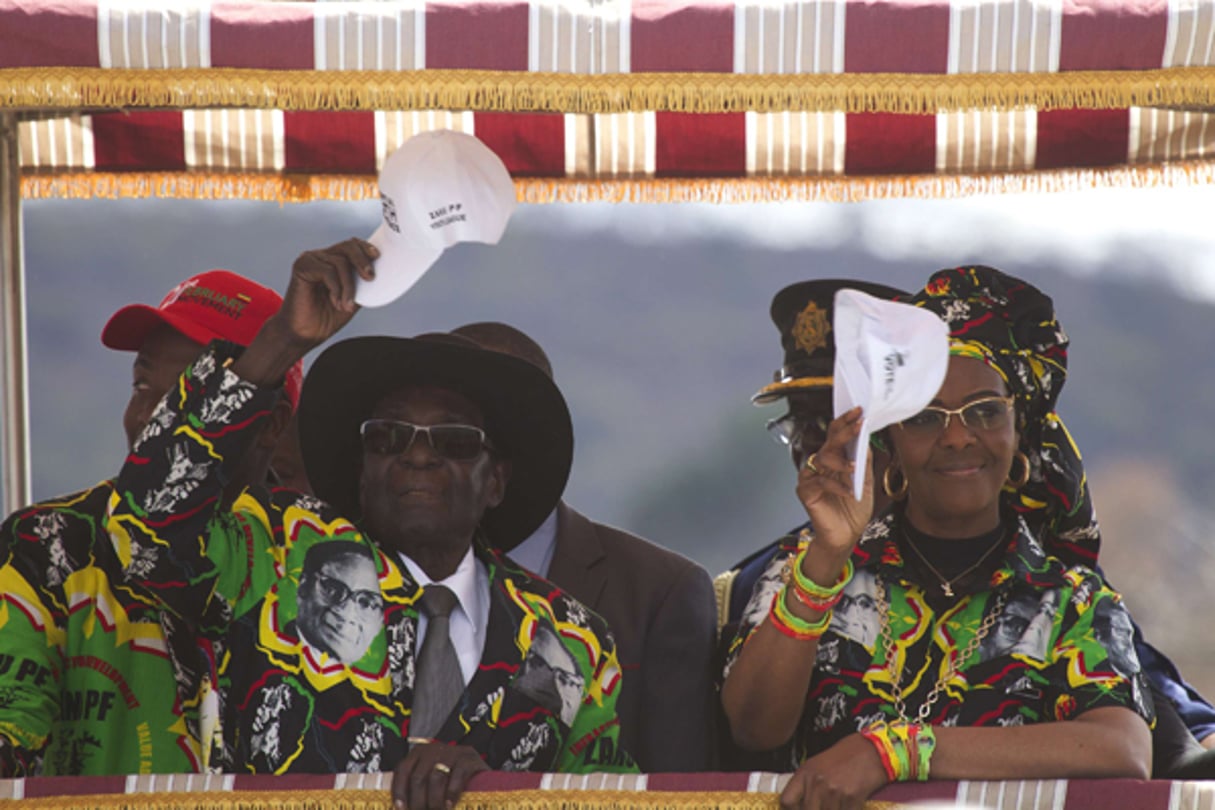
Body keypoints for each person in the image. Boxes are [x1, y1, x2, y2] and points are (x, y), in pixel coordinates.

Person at [105, 240, 634, 807]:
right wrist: (281, 340)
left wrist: (499, 792)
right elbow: (143, 529)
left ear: (496, 481)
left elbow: (610, 798)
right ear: (363, 468)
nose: (419, 456)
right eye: (389, 436)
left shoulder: (573, 639)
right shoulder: (276, 550)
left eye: (454, 441)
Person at [721, 265, 1153, 808]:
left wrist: (898, 751)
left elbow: (1123, 749)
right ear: (890, 440)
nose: (956, 437)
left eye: (985, 412)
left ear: (1019, 432)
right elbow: (754, 730)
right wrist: (828, 556)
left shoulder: (1069, 597)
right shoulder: (807, 567)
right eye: (925, 418)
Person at [0, 270, 300, 776]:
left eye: (185, 396)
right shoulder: (46, 542)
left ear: (270, 426)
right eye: (142, 384)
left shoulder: (315, 551)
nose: (146, 417)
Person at [451, 321, 718, 772]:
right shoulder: (380, 576)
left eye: (481, 432)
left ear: (544, 434)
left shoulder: (660, 593)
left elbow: (679, 790)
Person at [712, 279, 904, 771]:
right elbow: (752, 733)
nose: (813, 449)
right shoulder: (754, 583)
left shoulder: (1033, 574)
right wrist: (822, 564)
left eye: (837, 422)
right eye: (801, 426)